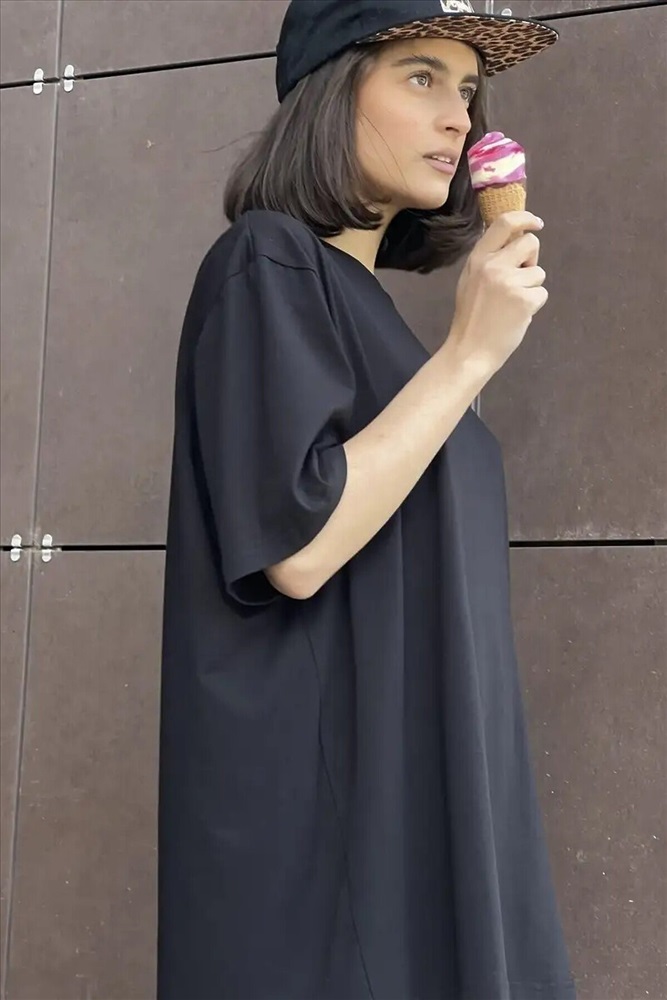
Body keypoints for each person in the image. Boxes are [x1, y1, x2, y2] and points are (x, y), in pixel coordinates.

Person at [157, 1, 577, 998]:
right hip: (329, 859)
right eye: (420, 76)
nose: (457, 117)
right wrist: (468, 355)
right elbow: (298, 546)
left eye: (467, 90)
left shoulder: (363, 311)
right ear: (332, 90)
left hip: (418, 812)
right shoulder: (267, 260)